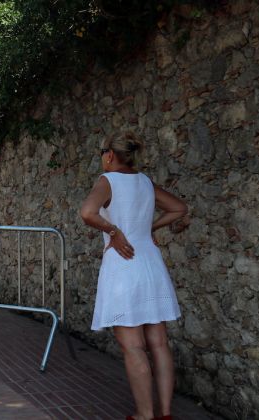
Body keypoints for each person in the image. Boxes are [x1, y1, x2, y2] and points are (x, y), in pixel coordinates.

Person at [80, 133, 188, 420]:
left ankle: (144, 414)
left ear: (110, 155)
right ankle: (165, 414)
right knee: (159, 344)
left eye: (102, 153)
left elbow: (88, 213)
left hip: (123, 265)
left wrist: (113, 232)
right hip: (151, 265)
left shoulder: (108, 181)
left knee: (134, 347)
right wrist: (150, 229)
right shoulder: (144, 182)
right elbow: (179, 208)